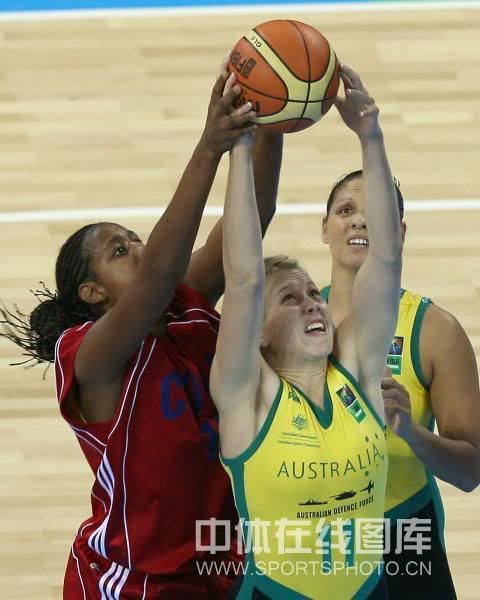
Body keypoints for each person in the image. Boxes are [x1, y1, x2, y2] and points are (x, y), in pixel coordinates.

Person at [0, 62, 283, 599]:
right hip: (132, 581)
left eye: (135, 238)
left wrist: (271, 120)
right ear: (93, 293)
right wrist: (209, 147)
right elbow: (156, 275)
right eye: (119, 250)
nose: (140, 249)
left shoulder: (185, 306)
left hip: (217, 566)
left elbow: (256, 214)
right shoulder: (90, 357)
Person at [210, 64, 402, 599]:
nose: (312, 304)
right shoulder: (247, 396)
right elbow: (244, 279)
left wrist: (371, 135)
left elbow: (384, 259)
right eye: (289, 300)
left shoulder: (359, 373)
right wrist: (242, 151)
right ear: (260, 333)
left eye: (312, 293)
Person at [320, 166, 480, 596]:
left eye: (375, 211)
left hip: (402, 537)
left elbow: (470, 471)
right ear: (324, 229)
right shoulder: (291, 321)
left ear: (399, 232)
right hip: (313, 533)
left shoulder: (434, 331)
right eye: (345, 210)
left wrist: (411, 434)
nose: (358, 220)